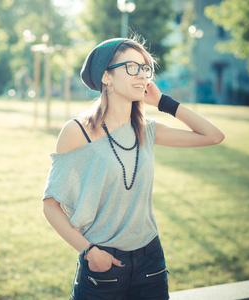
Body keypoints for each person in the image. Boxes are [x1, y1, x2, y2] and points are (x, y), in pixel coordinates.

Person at [42, 37, 225, 300]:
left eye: (145, 68)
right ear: (106, 77)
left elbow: (213, 136)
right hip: (102, 264)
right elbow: (50, 204)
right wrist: (89, 252)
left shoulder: (147, 129)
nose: (143, 76)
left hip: (150, 259)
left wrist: (165, 103)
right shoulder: (77, 132)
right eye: (132, 67)